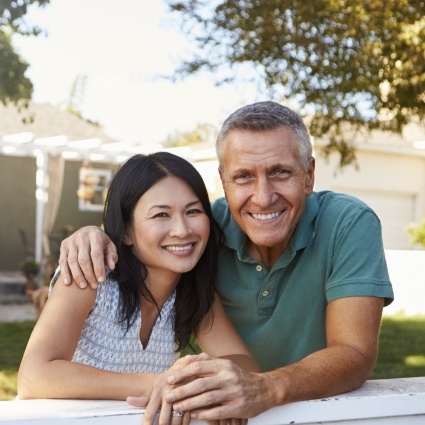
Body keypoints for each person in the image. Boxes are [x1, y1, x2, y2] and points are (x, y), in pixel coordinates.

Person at [57, 101, 394, 422]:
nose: (263, 197)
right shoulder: (205, 230)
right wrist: (94, 234)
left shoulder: (348, 224)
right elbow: (144, 232)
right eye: (244, 176)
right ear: (223, 181)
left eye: (279, 172)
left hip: (317, 413)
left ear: (308, 175)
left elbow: (354, 352)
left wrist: (264, 388)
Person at [18, 152, 259, 425]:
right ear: (128, 231)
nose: (181, 230)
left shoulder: (193, 292)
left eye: (193, 211)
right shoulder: (89, 275)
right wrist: (161, 383)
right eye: (161, 215)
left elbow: (245, 365)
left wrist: (195, 383)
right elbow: (34, 376)